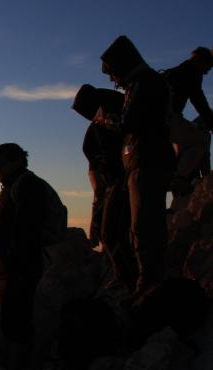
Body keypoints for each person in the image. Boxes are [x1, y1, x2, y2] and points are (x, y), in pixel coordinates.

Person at [94, 35, 174, 298]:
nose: (112, 80)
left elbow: (131, 123)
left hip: (148, 162)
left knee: (145, 226)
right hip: (142, 162)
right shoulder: (142, 84)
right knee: (139, 226)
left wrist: (107, 121)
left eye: (112, 73)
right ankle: (146, 282)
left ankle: (149, 285)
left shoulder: (146, 83)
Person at [0, 143, 66, 370]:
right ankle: (19, 367)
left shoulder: (28, 187)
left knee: (17, 323)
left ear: (18, 161)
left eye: (1, 164)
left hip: (19, 272)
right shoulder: (16, 186)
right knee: (13, 322)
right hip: (13, 271)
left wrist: (16, 268)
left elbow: (26, 232)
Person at [73, 85, 136, 291]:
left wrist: (95, 216)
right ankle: (127, 277)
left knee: (112, 232)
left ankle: (129, 280)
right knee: (115, 232)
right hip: (119, 179)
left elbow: (99, 185)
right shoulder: (101, 124)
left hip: (121, 180)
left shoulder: (108, 119)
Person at [163, 47, 213, 201]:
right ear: (201, 61)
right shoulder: (192, 71)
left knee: (183, 146)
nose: (208, 71)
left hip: (160, 121)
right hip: (170, 119)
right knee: (200, 142)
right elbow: (199, 101)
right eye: (209, 66)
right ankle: (179, 178)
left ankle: (177, 176)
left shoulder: (175, 71)